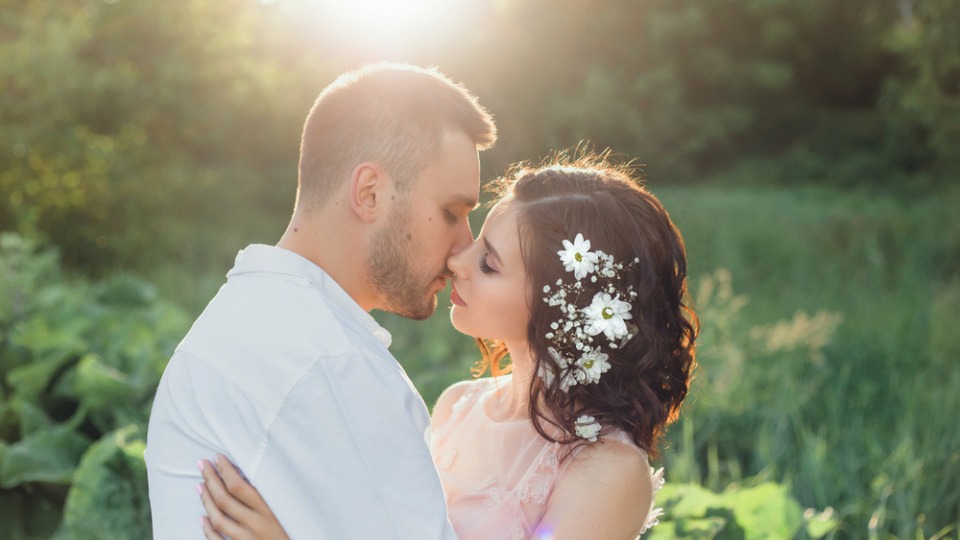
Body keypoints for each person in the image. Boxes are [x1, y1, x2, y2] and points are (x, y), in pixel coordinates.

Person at [196, 153, 700, 539]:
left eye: (490, 263)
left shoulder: (607, 468)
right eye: (478, 240)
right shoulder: (458, 406)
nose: (459, 258)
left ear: (559, 306)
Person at [144, 62, 497, 539]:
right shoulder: (333, 364)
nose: (463, 247)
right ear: (370, 193)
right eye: (452, 212)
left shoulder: (233, 321)